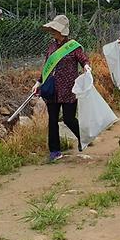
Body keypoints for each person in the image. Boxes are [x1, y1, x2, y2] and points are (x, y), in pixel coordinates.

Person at [31, 15, 91, 162]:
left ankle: (83, 139)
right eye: (51, 29)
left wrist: (87, 67)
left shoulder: (73, 46)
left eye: (54, 29)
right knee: (52, 120)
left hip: (69, 89)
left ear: (62, 31)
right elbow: (47, 67)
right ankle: (55, 151)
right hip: (53, 89)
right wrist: (38, 83)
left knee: (69, 119)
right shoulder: (51, 47)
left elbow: (83, 59)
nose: (52, 31)